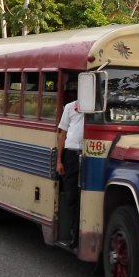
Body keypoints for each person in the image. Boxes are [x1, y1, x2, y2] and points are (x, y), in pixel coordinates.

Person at [56, 100, 84, 247]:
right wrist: (59, 160)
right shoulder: (70, 107)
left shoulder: (100, 106)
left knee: (85, 198)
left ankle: (81, 236)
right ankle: (74, 234)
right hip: (72, 155)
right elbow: (62, 133)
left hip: (91, 155)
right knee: (72, 196)